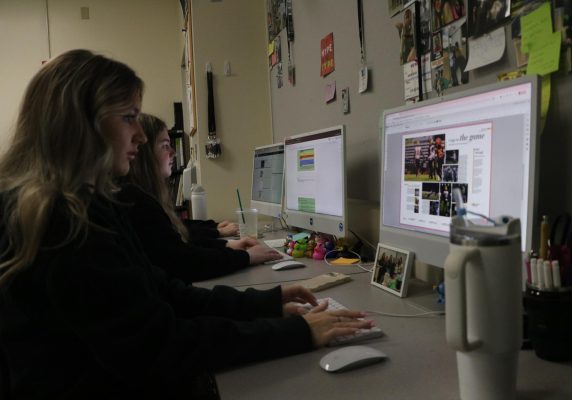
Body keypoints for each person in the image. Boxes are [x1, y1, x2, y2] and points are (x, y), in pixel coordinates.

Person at [0, 49, 372, 399]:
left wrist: (268, 301)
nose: (141, 136)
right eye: (129, 117)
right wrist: (297, 332)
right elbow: (160, 345)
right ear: (82, 126)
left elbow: (165, 294)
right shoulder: (63, 224)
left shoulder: (90, 205)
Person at [120, 113, 281, 283]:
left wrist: (225, 243)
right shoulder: (139, 205)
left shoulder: (144, 198)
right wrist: (245, 257)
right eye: (165, 146)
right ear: (145, 153)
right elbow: (185, 261)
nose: (173, 152)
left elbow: (180, 236)